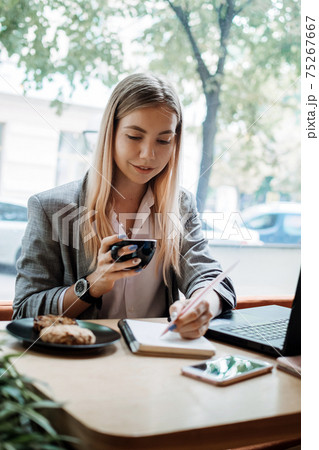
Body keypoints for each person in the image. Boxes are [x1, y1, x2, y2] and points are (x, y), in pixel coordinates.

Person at [13, 73, 236, 339]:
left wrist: (201, 305)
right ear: (111, 133)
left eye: (163, 140)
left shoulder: (181, 205)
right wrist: (91, 285)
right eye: (134, 136)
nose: (148, 154)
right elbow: (25, 311)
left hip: (156, 361)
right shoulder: (51, 208)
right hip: (84, 363)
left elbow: (210, 277)